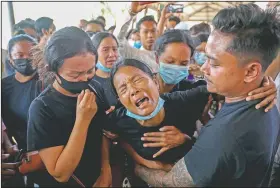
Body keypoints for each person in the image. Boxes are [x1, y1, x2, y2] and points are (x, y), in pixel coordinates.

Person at [134, 4, 280, 187]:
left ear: (251, 71)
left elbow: (170, 182)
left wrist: (137, 168)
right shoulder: (266, 101)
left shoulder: (225, 134)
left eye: (215, 63)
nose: (203, 68)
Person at [27, 26, 111, 187]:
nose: (84, 79)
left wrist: (105, 170)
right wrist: (83, 119)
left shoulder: (94, 86)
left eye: (90, 70)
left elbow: (103, 134)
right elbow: (60, 174)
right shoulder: (42, 108)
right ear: (53, 70)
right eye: (75, 74)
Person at [2, 34, 40, 151]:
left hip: (49, 149)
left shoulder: (47, 82)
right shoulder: (3, 87)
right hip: (21, 152)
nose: (26, 59)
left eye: (31, 55)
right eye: (20, 55)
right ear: (11, 58)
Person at [91, 32, 119, 111]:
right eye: (105, 50)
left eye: (114, 49)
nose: (112, 54)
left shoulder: (124, 76)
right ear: (94, 53)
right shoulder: (89, 82)